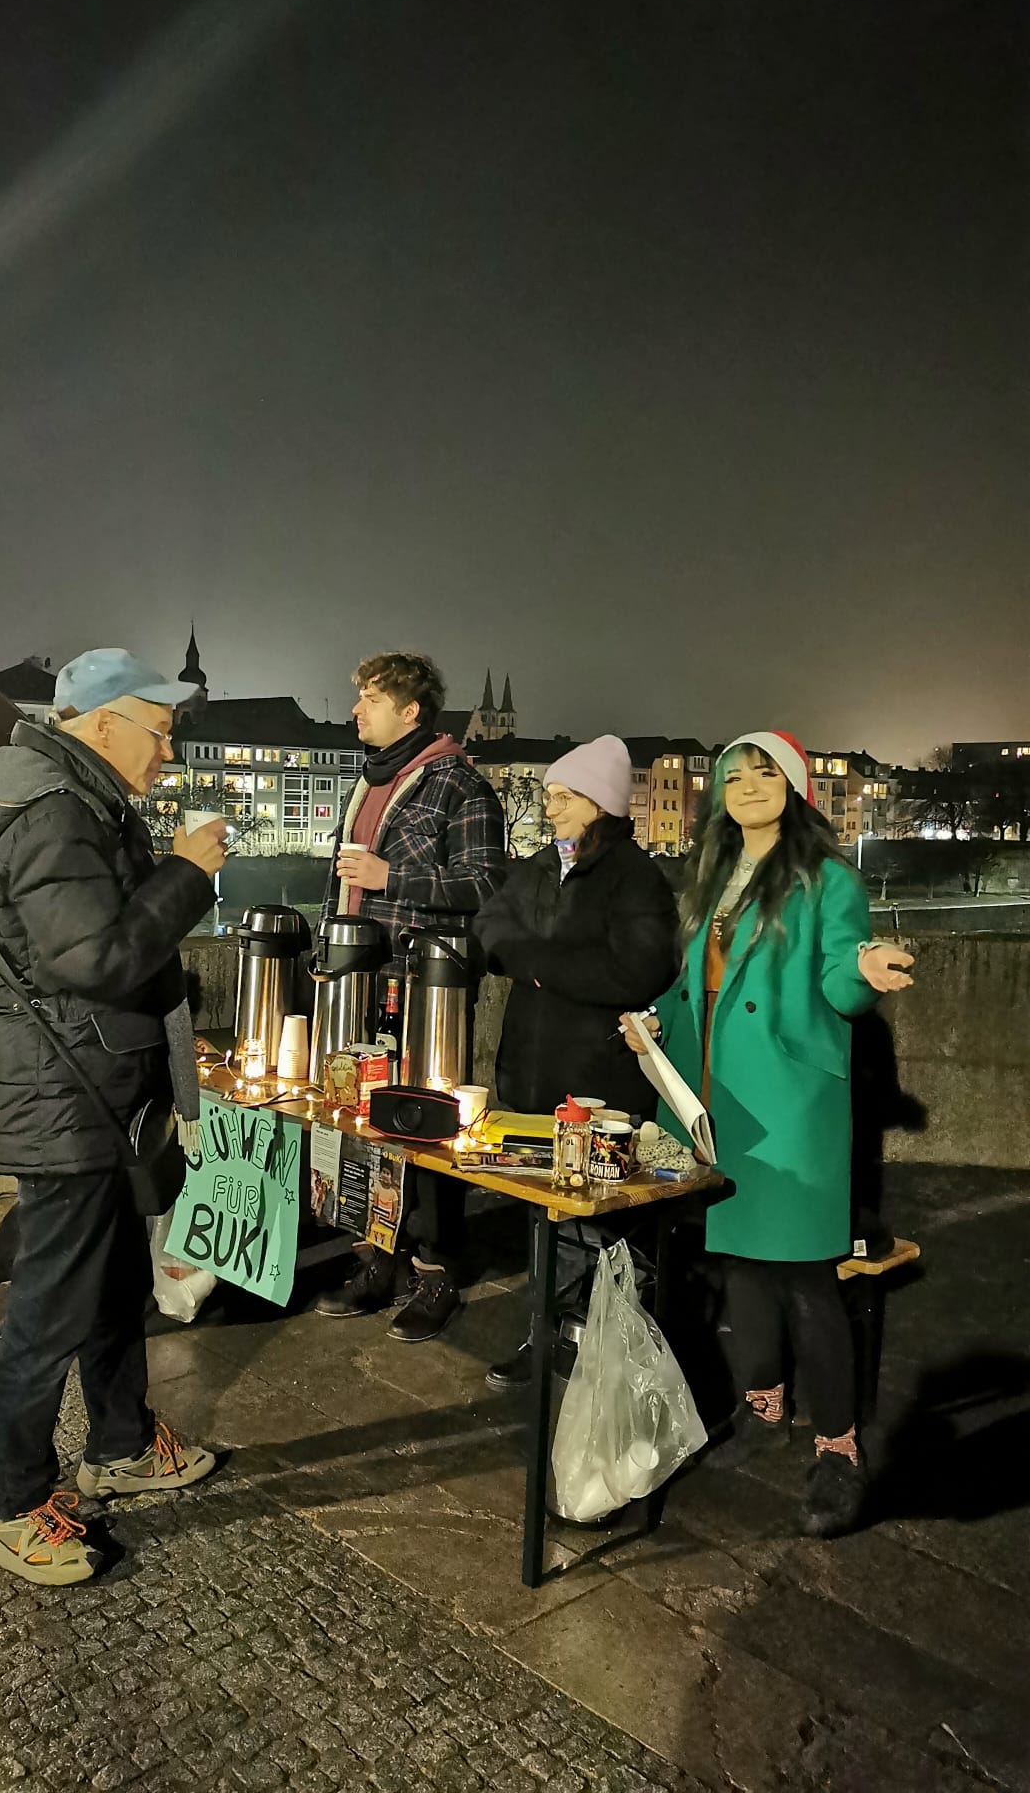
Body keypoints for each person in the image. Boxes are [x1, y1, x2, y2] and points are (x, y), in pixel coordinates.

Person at [0, 647, 228, 1585]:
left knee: (109, 1282)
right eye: (161, 731)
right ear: (105, 722)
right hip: (61, 1092)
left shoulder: (65, 796)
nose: (169, 753)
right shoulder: (54, 811)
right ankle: (12, 1504)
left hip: (83, 1083)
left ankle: (121, 1443)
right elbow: (96, 959)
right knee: (51, 1303)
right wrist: (184, 873)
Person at [621, 731, 914, 1540]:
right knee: (741, 1265)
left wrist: (866, 966)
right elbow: (695, 983)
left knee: (806, 1279)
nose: (748, 785)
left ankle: (839, 1449)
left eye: (765, 772)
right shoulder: (710, 875)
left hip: (785, 1102)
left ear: (794, 786)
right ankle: (763, 1408)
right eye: (734, 776)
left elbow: (839, 973)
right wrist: (655, 1022)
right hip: (715, 1095)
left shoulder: (827, 878)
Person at [474, 736, 680, 1390]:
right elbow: (489, 922)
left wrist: (537, 965)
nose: (550, 808)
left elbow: (637, 969)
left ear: (600, 803)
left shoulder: (636, 878)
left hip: (598, 1080)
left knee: (603, 1222)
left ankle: (604, 1343)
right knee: (547, 1216)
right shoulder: (543, 865)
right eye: (549, 796)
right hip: (532, 1070)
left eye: (563, 797)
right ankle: (547, 1333)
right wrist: (528, 956)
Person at [316, 651, 506, 1342]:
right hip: (359, 979)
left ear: (410, 710)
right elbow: (342, 882)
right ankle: (377, 1259)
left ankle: (437, 1270)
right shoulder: (371, 780)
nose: (355, 711)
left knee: (429, 1125)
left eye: (370, 699)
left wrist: (391, 876)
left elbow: (486, 884)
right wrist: (325, 952)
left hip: (426, 988)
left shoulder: (461, 785)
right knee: (362, 1122)